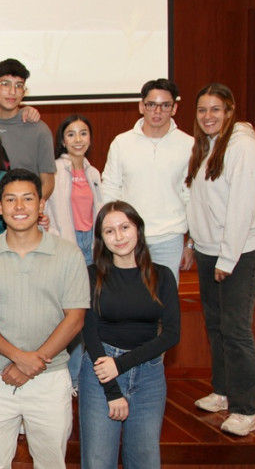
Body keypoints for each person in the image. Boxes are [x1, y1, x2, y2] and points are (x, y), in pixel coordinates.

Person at [0, 169, 89, 469]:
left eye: (28, 199)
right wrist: (18, 358)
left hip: (50, 378)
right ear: (0, 207)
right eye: (10, 199)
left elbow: (75, 318)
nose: (19, 207)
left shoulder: (68, 254)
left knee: (51, 463)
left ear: (41, 205)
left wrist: (34, 362)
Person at [187, 83, 255, 437]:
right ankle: (222, 391)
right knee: (216, 325)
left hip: (240, 252)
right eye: (203, 110)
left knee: (236, 330)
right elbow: (200, 201)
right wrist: (193, 240)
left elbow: (241, 209)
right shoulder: (207, 146)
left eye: (215, 110)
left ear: (230, 110)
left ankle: (244, 409)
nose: (208, 116)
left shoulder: (246, 150)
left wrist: (228, 258)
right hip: (209, 250)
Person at [79, 201, 180, 469]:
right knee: (98, 461)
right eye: (109, 231)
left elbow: (171, 334)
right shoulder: (91, 275)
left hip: (149, 374)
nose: (119, 236)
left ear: (138, 230)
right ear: (101, 238)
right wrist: (112, 390)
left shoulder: (163, 276)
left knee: (145, 460)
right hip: (101, 371)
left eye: (125, 227)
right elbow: (89, 331)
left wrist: (120, 365)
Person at [102, 78, 194, 283]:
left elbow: (191, 196)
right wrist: (111, 232)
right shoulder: (122, 142)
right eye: (151, 104)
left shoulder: (188, 145)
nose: (158, 111)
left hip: (170, 238)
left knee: (165, 300)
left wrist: (190, 244)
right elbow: (110, 189)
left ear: (175, 108)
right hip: (128, 238)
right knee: (129, 299)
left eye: (165, 105)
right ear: (141, 106)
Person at [0, 58, 56, 201]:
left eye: (19, 86)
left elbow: (48, 183)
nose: (12, 92)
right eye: (5, 84)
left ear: (24, 92)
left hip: (24, 213)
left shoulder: (39, 130)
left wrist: (31, 206)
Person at [46, 114, 103, 265]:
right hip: (65, 241)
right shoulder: (53, 170)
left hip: (91, 241)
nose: (78, 140)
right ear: (63, 141)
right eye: (71, 135)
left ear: (90, 139)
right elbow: (44, 209)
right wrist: (53, 234)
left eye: (83, 133)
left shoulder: (94, 173)